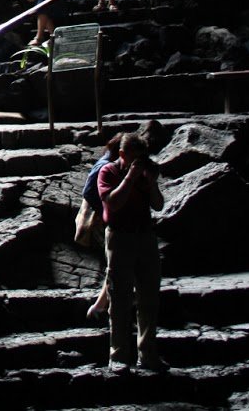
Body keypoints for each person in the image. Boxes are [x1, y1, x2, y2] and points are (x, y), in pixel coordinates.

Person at [97, 132, 167, 372]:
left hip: (145, 235)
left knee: (149, 297)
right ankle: (117, 356)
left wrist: (152, 182)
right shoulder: (108, 172)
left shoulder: (144, 173)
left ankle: (147, 354)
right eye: (134, 159)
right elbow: (112, 203)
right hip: (120, 236)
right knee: (120, 298)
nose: (138, 163)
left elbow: (158, 205)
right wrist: (129, 178)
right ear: (122, 155)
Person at [78, 134, 124, 322]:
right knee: (114, 264)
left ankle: (102, 305)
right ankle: (101, 306)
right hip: (98, 219)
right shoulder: (104, 167)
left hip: (103, 218)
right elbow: (89, 193)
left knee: (115, 264)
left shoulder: (109, 163)